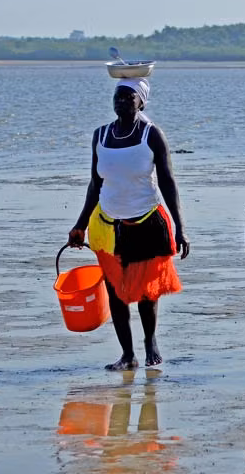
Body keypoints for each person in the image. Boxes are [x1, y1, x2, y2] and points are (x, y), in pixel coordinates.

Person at [68, 77, 190, 370]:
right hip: (109, 225)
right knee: (115, 292)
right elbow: (95, 184)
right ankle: (127, 355)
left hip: (147, 222)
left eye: (128, 97)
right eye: (117, 97)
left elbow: (167, 181)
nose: (121, 101)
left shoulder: (152, 135)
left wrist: (180, 227)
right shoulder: (100, 136)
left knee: (147, 292)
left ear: (141, 103)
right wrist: (80, 225)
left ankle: (150, 343)